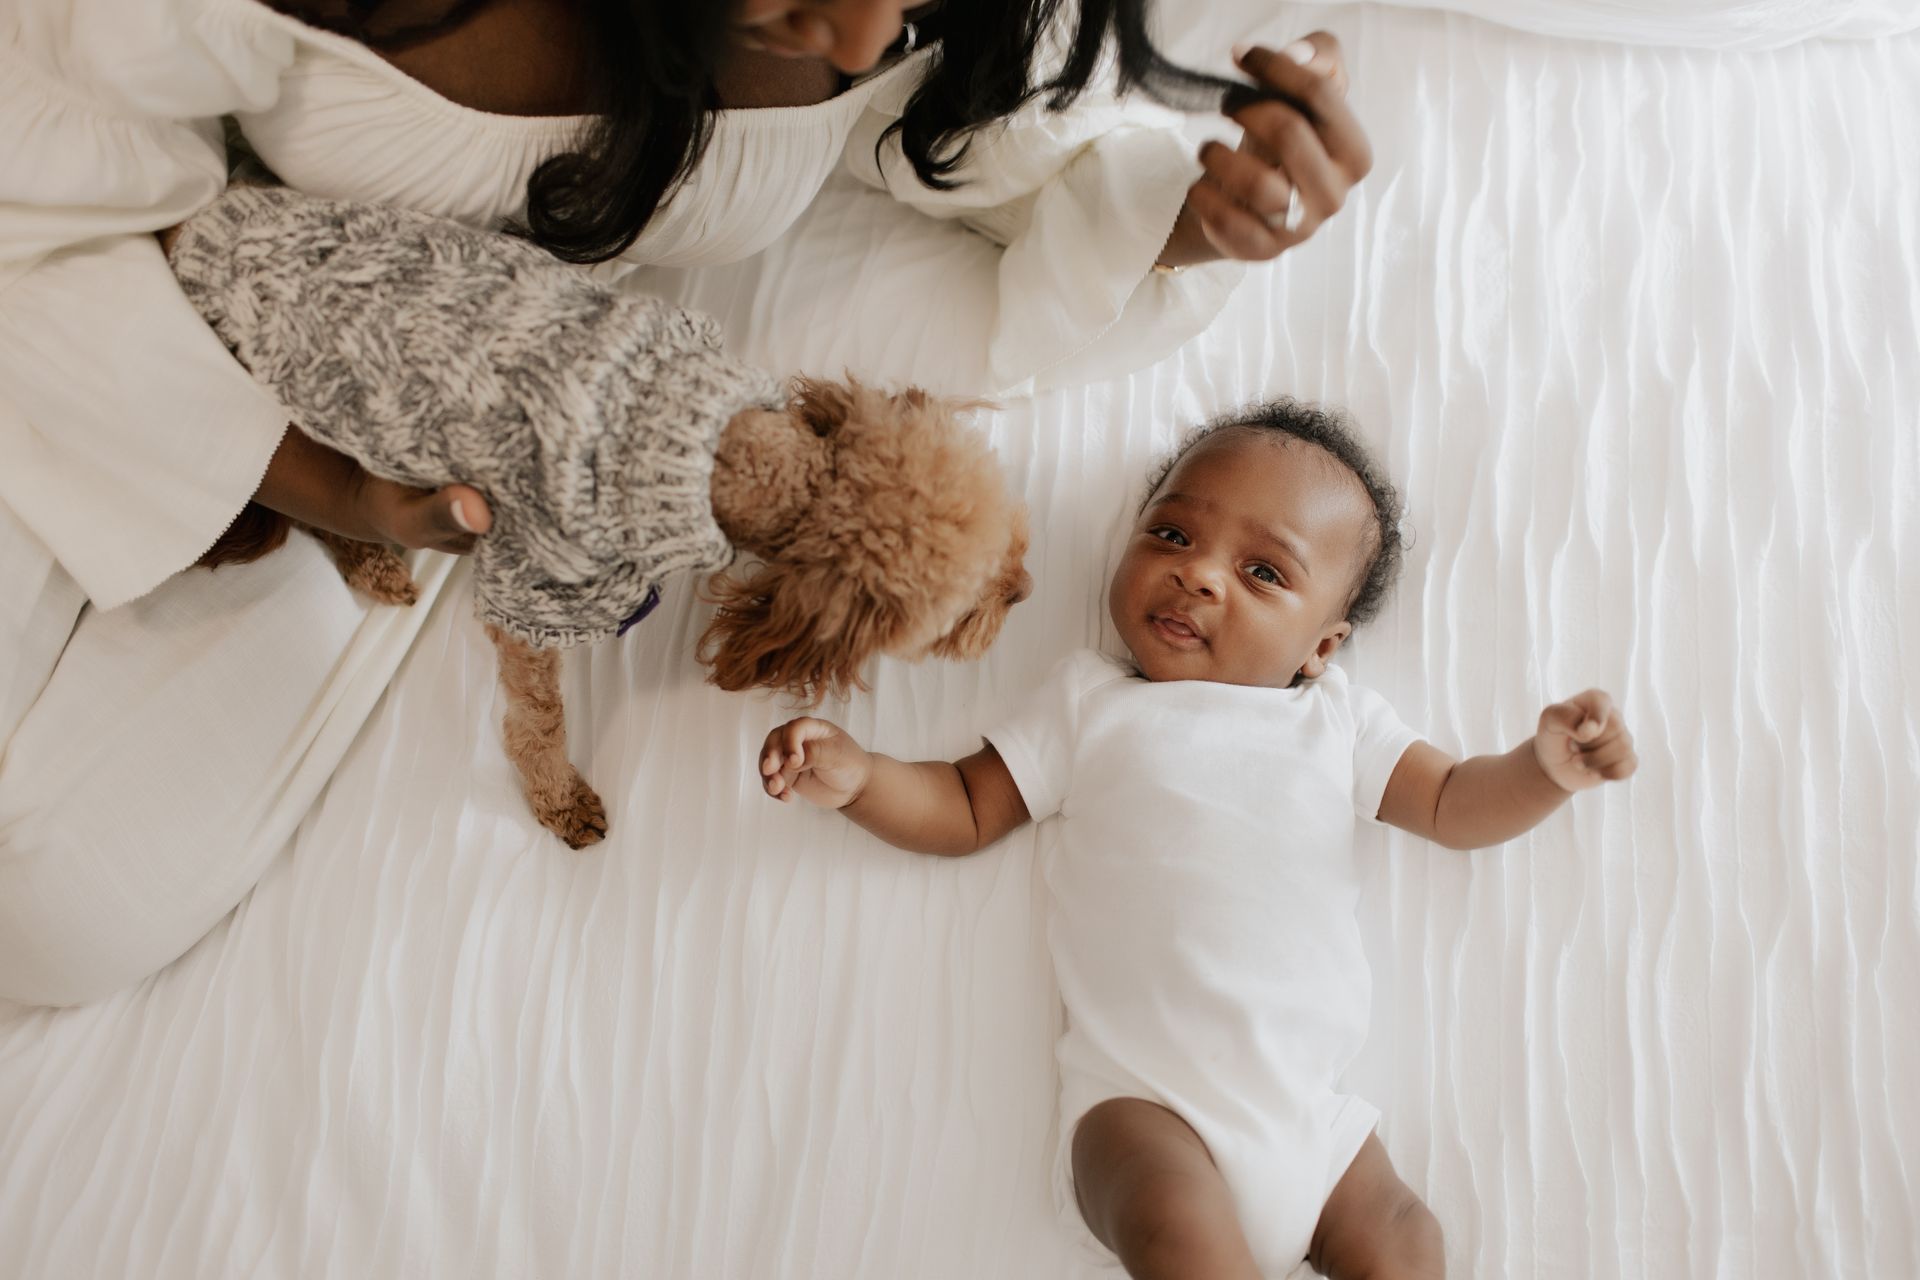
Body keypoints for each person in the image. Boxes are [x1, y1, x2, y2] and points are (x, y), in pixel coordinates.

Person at [0, 0, 1369, 1004]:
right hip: (116, 305)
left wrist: (1203, 217)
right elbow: (43, 173)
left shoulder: (901, 30)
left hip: (462, 445)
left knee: (64, 910)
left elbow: (992, 166)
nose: (852, 39)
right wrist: (292, 472)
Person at [757, 402, 1639, 1278]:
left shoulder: (1336, 724)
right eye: (1173, 537)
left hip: (1312, 1128)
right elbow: (964, 803)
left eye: (1262, 571)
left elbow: (1452, 803)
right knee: (1175, 1228)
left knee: (1405, 1235)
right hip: (1141, 1109)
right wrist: (865, 779)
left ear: (1321, 646)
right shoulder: (1090, 703)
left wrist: (1541, 769)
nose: (1200, 576)